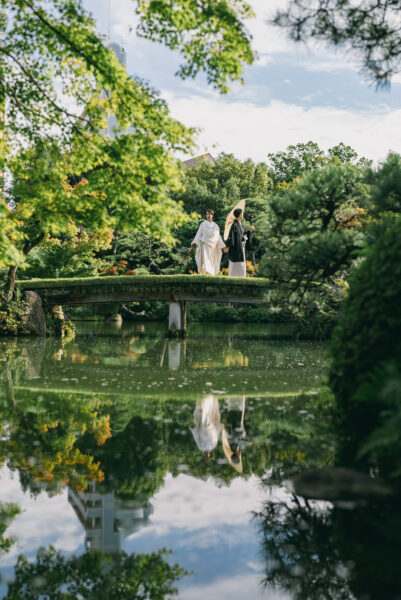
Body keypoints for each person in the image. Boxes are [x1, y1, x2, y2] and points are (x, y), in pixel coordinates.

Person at [191, 209, 226, 276]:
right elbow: (198, 234)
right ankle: (206, 274)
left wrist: (223, 246)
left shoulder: (215, 226)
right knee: (205, 261)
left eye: (209, 214)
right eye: (207, 214)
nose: (208, 215)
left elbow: (218, 237)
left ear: (212, 215)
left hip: (213, 247)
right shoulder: (203, 224)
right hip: (205, 245)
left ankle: (211, 275)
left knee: (212, 261)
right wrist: (194, 243)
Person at [223, 208, 254, 277]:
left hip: (241, 247)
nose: (242, 214)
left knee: (241, 263)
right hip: (236, 248)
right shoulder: (234, 225)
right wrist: (228, 246)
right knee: (235, 263)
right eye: (242, 213)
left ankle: (241, 277)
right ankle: (234, 277)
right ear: (240, 215)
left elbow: (243, 234)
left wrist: (249, 231)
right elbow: (231, 237)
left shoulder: (240, 224)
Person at [190, 394, 222, 460]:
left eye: (206, 456)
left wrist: (193, 428)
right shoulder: (213, 446)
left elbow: (196, 437)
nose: (207, 455)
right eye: (208, 456)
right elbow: (217, 434)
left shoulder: (200, 447)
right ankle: (209, 399)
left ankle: (205, 400)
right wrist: (221, 425)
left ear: (204, 455)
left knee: (204, 413)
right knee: (210, 412)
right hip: (211, 428)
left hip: (203, 427)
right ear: (210, 455)